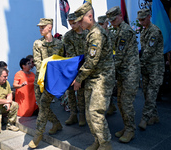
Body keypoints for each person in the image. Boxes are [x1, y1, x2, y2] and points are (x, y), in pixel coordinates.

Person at [73, 2, 115, 150]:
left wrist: (78, 79)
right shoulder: (90, 32)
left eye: (80, 20)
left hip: (102, 79)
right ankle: (97, 141)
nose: (78, 23)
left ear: (90, 16)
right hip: (93, 78)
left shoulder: (97, 34)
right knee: (89, 114)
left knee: (95, 113)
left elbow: (92, 61)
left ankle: (105, 144)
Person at [28, 18, 64, 149]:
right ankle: (56, 123)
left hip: (52, 81)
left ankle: (38, 135)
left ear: (50, 27)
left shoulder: (59, 44)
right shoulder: (37, 43)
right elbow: (37, 63)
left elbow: (60, 62)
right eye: (39, 27)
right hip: (40, 80)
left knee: (43, 105)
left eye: (43, 27)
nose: (40, 29)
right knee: (42, 104)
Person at [106, 6, 140, 143]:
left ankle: (131, 129)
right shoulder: (119, 29)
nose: (112, 22)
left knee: (126, 103)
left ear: (120, 15)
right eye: (111, 20)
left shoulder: (125, 31)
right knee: (120, 101)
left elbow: (119, 56)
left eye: (114, 19)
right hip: (123, 72)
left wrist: (109, 73)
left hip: (129, 73)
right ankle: (126, 127)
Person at [137, 9, 165, 130]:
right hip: (146, 68)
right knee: (146, 93)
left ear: (149, 17)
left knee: (151, 94)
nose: (141, 22)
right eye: (140, 20)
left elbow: (148, 51)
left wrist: (138, 64)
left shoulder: (154, 31)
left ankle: (145, 118)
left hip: (155, 68)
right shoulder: (145, 31)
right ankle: (154, 116)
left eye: (143, 19)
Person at [63, 13, 87, 126]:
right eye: (70, 24)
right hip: (72, 67)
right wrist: (74, 74)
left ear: (79, 21)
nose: (72, 26)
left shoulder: (88, 34)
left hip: (86, 67)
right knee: (71, 91)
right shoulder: (68, 36)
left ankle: (82, 114)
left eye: (74, 23)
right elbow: (71, 55)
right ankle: (73, 114)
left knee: (82, 92)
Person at [98, 15, 117, 115]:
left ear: (107, 24)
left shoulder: (112, 36)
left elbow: (117, 49)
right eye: (99, 24)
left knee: (110, 87)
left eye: (102, 24)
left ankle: (110, 105)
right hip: (101, 65)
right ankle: (110, 105)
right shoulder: (98, 36)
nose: (101, 26)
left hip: (111, 64)